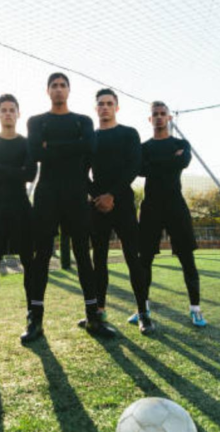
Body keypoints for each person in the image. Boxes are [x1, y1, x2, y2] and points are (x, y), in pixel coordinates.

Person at [22, 72, 116, 343]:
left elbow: (90, 145)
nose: (59, 89)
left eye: (63, 85)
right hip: (47, 195)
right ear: (47, 90)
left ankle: (93, 317)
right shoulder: (36, 121)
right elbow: (35, 153)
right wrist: (71, 147)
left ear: (69, 90)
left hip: (76, 195)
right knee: (42, 255)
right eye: (54, 85)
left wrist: (51, 145)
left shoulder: (83, 120)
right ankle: (35, 320)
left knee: (83, 255)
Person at [80, 88, 154, 335]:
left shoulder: (129, 133)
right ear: (96, 108)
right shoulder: (90, 137)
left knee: (133, 258)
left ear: (116, 108)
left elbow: (133, 166)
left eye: (109, 103)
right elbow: (82, 171)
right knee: (98, 260)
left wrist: (112, 194)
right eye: (100, 104)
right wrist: (96, 196)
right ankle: (99, 311)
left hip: (122, 203)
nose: (105, 107)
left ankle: (143, 312)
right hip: (97, 206)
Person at [138, 101, 207, 327]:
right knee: (144, 260)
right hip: (150, 207)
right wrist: (170, 161)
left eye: (162, 114)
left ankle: (195, 309)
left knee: (187, 258)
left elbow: (183, 160)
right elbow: (141, 169)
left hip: (175, 206)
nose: (158, 117)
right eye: (154, 114)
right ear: (149, 120)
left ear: (169, 118)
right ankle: (142, 308)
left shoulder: (181, 143)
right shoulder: (143, 147)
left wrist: (156, 164)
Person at [0, 94, 37, 333]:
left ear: (18, 113)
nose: (8, 113)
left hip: (21, 207)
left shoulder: (26, 144)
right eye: (4, 109)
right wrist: (16, 170)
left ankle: (32, 313)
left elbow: (30, 174)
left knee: (28, 262)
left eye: (12, 109)